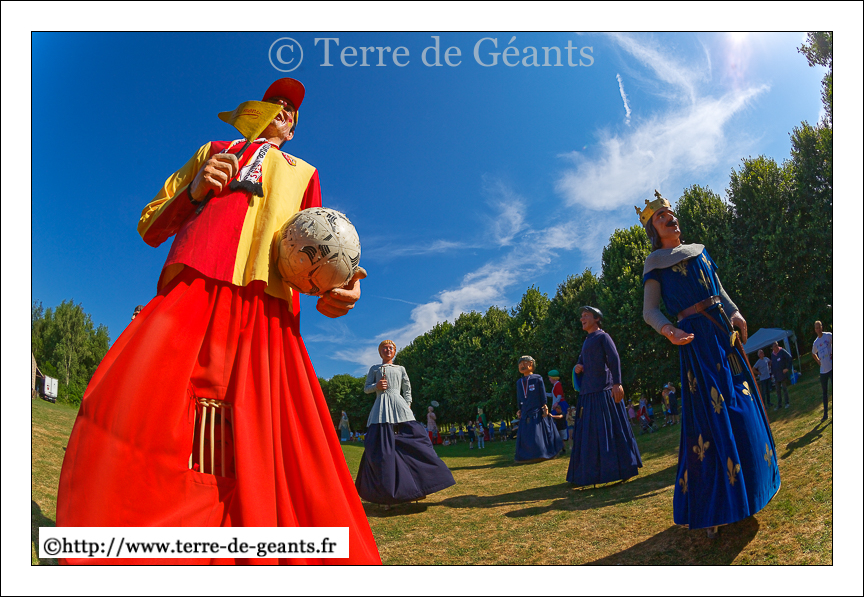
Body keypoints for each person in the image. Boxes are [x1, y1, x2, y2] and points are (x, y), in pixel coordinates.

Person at [56, 78, 380, 564]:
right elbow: (149, 224)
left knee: (268, 431)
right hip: (194, 286)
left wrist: (344, 285)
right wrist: (194, 191)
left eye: (291, 110)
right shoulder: (213, 150)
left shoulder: (306, 174)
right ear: (257, 111)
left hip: (268, 308)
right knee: (130, 399)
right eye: (276, 103)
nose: (284, 110)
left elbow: (320, 246)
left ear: (293, 129)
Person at [638, 191, 780, 538]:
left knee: (742, 406)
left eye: (670, 213)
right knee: (710, 419)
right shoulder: (655, 263)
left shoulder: (699, 251)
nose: (669, 217)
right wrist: (669, 330)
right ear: (654, 229)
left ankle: (751, 490)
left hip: (722, 333)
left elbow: (719, 290)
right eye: (660, 216)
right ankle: (714, 506)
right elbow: (650, 311)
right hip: (696, 341)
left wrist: (736, 313)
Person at [355, 341, 455, 506]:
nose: (388, 350)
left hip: (399, 406)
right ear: (380, 352)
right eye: (384, 348)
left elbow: (407, 388)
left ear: (394, 352)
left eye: (391, 348)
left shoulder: (400, 369)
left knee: (416, 441)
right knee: (380, 449)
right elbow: (366, 388)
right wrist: (376, 386)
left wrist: (407, 404)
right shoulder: (375, 369)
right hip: (381, 408)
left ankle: (418, 486)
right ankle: (385, 494)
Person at [567, 307, 642, 486]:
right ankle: (591, 474)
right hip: (588, 394)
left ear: (597, 318)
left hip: (603, 392)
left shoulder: (603, 337)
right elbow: (581, 362)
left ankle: (620, 469)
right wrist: (577, 367)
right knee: (590, 435)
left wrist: (617, 383)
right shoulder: (586, 341)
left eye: (586, 315)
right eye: (581, 316)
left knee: (611, 431)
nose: (582, 318)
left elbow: (614, 359)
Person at [514, 356, 563, 462]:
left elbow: (542, 392)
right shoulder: (519, 382)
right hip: (525, 411)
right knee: (526, 435)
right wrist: (519, 408)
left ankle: (542, 453)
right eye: (520, 364)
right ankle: (526, 456)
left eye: (525, 363)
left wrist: (544, 405)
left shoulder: (537, 378)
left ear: (531, 364)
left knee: (539, 434)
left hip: (537, 411)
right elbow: (519, 396)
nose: (522, 365)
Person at [811, 321, 832, 422]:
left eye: (819, 327)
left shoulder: (828, 336)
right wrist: (818, 361)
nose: (818, 329)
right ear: (815, 330)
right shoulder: (816, 343)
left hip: (831, 368)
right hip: (823, 371)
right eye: (816, 328)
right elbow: (813, 353)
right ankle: (825, 414)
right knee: (824, 393)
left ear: (822, 327)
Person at [770, 341, 793, 410]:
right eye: (774, 346)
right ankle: (779, 404)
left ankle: (787, 403)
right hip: (776, 375)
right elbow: (772, 365)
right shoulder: (772, 355)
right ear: (772, 348)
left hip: (783, 374)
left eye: (777, 345)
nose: (776, 347)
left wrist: (787, 368)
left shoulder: (782, 351)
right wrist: (772, 374)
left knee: (784, 389)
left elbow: (789, 358)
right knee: (778, 390)